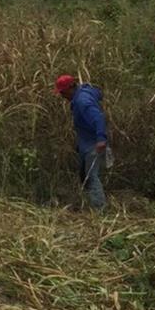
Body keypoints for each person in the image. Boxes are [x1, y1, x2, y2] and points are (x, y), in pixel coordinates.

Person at [55, 74, 110, 210]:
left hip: (93, 144)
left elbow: (98, 118)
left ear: (70, 88)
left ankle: (99, 209)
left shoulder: (82, 101)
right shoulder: (84, 93)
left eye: (62, 92)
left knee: (92, 177)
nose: (62, 95)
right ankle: (88, 204)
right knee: (85, 175)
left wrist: (101, 139)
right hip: (87, 143)